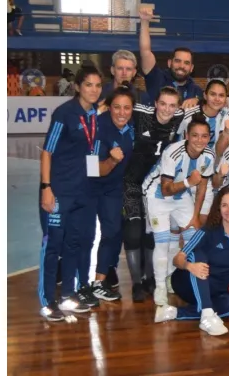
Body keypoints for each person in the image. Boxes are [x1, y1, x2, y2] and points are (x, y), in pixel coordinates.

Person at [37, 67, 103, 321]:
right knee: (52, 245)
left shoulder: (94, 114)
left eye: (98, 85)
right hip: (59, 192)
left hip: (81, 193)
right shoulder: (64, 113)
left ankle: (67, 296)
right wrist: (46, 187)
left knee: (73, 244)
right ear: (78, 87)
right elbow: (47, 152)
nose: (94, 90)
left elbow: (90, 154)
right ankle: (47, 301)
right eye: (88, 85)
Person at [155, 187, 229, 335]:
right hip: (186, 283)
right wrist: (189, 266)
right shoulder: (208, 231)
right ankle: (206, 314)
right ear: (218, 208)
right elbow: (177, 259)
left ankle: (175, 312)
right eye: (224, 205)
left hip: (214, 290)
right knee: (198, 254)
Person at [142, 114, 215, 321]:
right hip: (157, 195)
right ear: (186, 135)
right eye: (195, 136)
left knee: (194, 239)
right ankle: (159, 288)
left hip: (183, 195)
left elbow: (202, 186)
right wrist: (188, 183)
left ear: (209, 137)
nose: (199, 140)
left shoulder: (208, 155)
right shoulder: (172, 152)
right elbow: (165, 190)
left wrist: (195, 215)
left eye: (204, 136)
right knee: (163, 243)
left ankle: (175, 280)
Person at [121, 87, 185, 301]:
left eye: (172, 105)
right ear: (155, 103)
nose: (167, 109)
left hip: (153, 187)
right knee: (132, 233)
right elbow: (118, 106)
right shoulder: (141, 113)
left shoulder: (179, 117)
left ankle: (150, 278)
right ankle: (137, 283)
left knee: (151, 235)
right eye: (163, 103)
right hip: (131, 183)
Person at [88, 86, 135, 302]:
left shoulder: (130, 126)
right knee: (98, 233)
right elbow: (92, 169)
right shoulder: (98, 128)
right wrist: (112, 160)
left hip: (115, 188)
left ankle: (104, 277)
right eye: (117, 107)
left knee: (115, 232)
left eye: (127, 108)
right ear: (108, 107)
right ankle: (92, 282)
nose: (122, 112)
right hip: (93, 188)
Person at [176, 79, 229, 224]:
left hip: (210, 177)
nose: (217, 99)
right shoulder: (189, 114)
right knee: (184, 224)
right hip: (185, 174)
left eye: (221, 95)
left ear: (225, 99)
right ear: (205, 95)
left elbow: (222, 150)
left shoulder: (227, 116)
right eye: (213, 94)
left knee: (203, 222)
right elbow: (177, 140)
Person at [139, 7, 203, 108]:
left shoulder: (196, 91)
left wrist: (198, 100)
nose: (181, 66)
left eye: (186, 63)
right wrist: (144, 21)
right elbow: (145, 51)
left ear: (191, 68)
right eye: (177, 61)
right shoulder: (157, 78)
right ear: (169, 63)